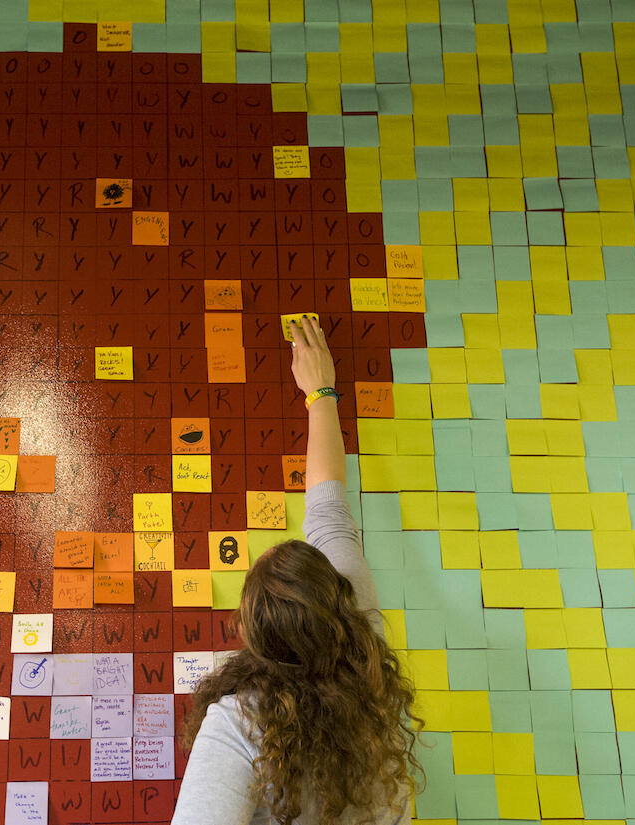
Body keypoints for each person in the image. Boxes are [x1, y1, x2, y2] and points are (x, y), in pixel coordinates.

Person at [171, 315, 422, 825]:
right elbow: (329, 510)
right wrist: (321, 393)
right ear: (338, 599)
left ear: (253, 641)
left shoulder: (242, 725)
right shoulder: (366, 670)